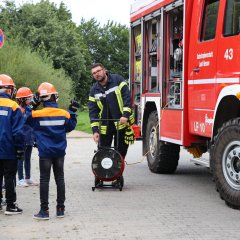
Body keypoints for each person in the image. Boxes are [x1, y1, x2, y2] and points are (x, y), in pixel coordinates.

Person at [26, 82, 79, 220]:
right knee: (60, 179)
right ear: (55, 97)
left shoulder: (36, 114)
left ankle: (44, 211)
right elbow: (70, 127)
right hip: (60, 152)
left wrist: (32, 105)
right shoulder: (64, 114)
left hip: (45, 153)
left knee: (44, 180)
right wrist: (72, 111)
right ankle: (60, 209)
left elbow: (25, 118)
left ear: (40, 98)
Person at [88, 63, 134, 164]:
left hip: (121, 123)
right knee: (102, 152)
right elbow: (93, 111)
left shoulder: (118, 80)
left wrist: (125, 115)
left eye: (98, 71)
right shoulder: (93, 90)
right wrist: (95, 131)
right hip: (105, 126)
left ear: (104, 70)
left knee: (120, 152)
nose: (97, 74)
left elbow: (127, 98)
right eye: (94, 73)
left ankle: (117, 174)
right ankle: (104, 173)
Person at [0, 74, 24, 215]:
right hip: (9, 148)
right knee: (9, 177)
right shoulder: (13, 106)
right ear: (9, 90)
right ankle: (10, 206)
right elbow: (18, 132)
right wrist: (20, 149)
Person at [15, 87, 37, 187]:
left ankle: (27, 178)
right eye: (28, 98)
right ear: (22, 99)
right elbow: (23, 121)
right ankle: (20, 179)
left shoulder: (28, 109)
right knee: (20, 159)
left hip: (29, 138)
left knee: (28, 158)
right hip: (21, 139)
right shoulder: (19, 110)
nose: (30, 100)